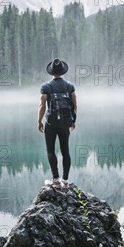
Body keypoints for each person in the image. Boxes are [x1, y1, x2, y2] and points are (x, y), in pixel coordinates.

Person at [38, 58, 77, 188]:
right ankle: (65, 180)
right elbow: (75, 104)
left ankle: (55, 179)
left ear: (51, 72)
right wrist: (73, 121)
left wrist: (39, 121)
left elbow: (42, 106)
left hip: (51, 123)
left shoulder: (46, 87)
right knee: (65, 150)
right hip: (65, 122)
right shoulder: (70, 86)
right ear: (63, 71)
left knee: (50, 150)